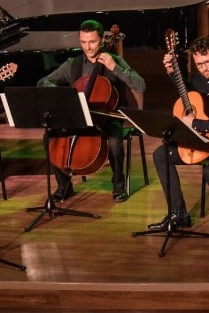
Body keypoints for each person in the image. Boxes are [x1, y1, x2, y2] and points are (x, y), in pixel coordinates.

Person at [37, 20, 146, 202]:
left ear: (102, 40)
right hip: (78, 117)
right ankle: (64, 186)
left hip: (107, 118)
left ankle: (118, 186)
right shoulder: (74, 64)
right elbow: (43, 81)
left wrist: (115, 68)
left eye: (92, 42)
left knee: (114, 142)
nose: (87, 47)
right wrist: (64, 93)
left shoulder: (115, 60)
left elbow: (140, 85)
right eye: (83, 42)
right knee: (49, 138)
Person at [148, 36, 209, 231]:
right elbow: (190, 96)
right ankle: (179, 213)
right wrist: (172, 73)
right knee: (161, 154)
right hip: (204, 138)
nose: (204, 68)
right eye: (199, 64)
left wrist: (194, 122)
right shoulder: (199, 77)